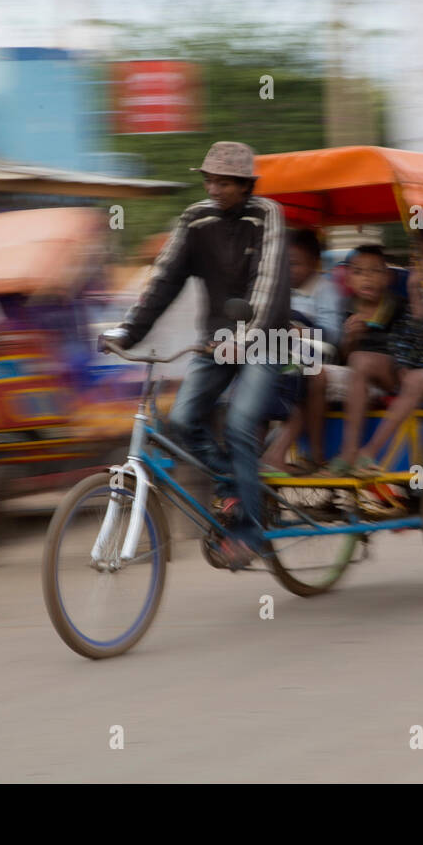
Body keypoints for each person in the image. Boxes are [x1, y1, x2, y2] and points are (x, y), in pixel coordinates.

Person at [99, 141, 289, 570]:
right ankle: (235, 483)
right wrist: (128, 331)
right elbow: (164, 279)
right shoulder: (194, 219)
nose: (214, 188)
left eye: (225, 182)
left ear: (245, 185)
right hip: (215, 340)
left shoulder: (267, 215)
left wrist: (245, 335)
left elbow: (268, 280)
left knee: (240, 422)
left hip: (265, 338)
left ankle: (249, 532)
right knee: (182, 420)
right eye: (210, 180)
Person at [331, 217, 423, 475]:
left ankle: (369, 453)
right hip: (407, 369)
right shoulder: (416, 282)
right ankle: (349, 451)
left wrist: (418, 298)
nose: (413, 259)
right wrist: (402, 363)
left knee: (416, 380)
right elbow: (401, 335)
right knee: (360, 359)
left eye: (416, 251)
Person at [260, 228, 344, 475]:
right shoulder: (279, 289)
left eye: (295, 264)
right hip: (281, 353)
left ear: (314, 264)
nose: (288, 270)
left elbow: (333, 335)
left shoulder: (325, 290)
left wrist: (301, 332)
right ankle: (251, 454)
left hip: (317, 354)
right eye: (284, 264)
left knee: (300, 379)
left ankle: (278, 455)